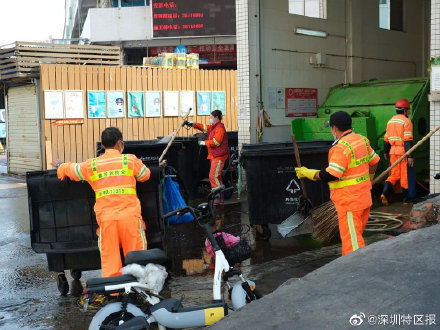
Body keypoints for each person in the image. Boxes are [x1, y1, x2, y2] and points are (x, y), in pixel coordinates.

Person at [52, 127, 150, 278]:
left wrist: (61, 166)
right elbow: (145, 175)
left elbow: (73, 170)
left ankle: (114, 292)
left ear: (103, 145)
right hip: (130, 219)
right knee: (136, 259)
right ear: (120, 143)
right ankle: (138, 291)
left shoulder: (92, 165)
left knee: (110, 260)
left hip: (107, 221)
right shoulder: (129, 160)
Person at [295, 111, 380, 256]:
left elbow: (331, 175)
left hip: (349, 203)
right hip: (364, 198)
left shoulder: (340, 148)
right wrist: (369, 179)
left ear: (334, 128)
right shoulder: (362, 140)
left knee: (352, 244)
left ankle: (354, 272)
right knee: (356, 236)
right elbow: (375, 161)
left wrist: (307, 172)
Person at [185, 110, 229, 198]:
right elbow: (205, 127)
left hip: (219, 156)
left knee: (213, 176)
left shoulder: (219, 128)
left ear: (216, 117)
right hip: (215, 155)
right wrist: (193, 124)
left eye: (211, 117)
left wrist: (204, 143)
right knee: (216, 176)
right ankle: (220, 197)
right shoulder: (214, 126)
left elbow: (216, 142)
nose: (210, 118)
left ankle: (217, 196)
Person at [381, 98, 414, 205]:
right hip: (402, 152)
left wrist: (386, 152)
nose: (408, 112)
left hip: (392, 152)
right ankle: (406, 200)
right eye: (408, 110)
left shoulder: (390, 121)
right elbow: (407, 140)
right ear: (405, 110)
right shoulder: (406, 121)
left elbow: (386, 139)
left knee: (394, 174)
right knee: (404, 176)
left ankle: (384, 193)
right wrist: (410, 156)